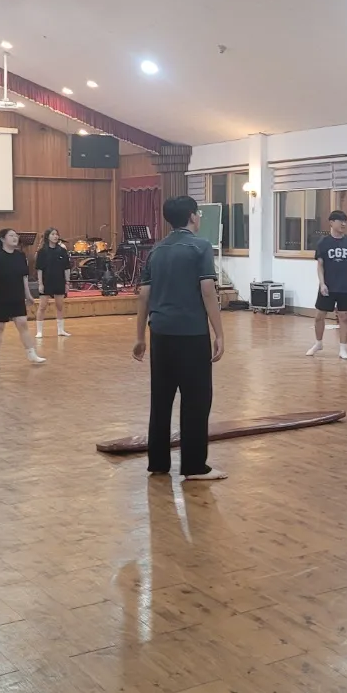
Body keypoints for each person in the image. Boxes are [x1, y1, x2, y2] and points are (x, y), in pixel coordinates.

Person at [132, 195, 227, 481]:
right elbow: (207, 291)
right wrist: (219, 333)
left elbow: (144, 295)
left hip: (160, 333)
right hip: (191, 334)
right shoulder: (200, 246)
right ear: (192, 216)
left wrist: (140, 337)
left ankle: (158, 462)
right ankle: (195, 466)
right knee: (196, 399)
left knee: (161, 399)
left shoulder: (156, 250)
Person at [308, 210, 347, 360]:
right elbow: (320, 266)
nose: (343, 224)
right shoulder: (323, 243)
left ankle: (343, 348)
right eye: (340, 221)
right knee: (319, 316)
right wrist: (322, 284)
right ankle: (318, 343)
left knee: (344, 317)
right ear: (331, 222)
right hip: (328, 286)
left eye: (345, 221)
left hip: (346, 286)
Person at [0, 228, 44, 370]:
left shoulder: (20, 256)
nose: (15, 238)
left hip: (17, 295)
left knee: (22, 324)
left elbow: (24, 278)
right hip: (0, 297)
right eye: (11, 235)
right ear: (3, 239)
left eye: (16, 236)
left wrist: (28, 295)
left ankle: (32, 354)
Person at [35, 227, 73, 339]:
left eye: (56, 234)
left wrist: (67, 282)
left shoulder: (62, 251)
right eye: (53, 234)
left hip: (59, 281)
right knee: (42, 306)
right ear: (48, 236)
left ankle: (61, 330)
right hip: (46, 281)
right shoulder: (42, 252)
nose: (55, 236)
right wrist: (40, 284)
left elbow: (66, 268)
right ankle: (39, 331)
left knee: (60, 306)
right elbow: (39, 269)